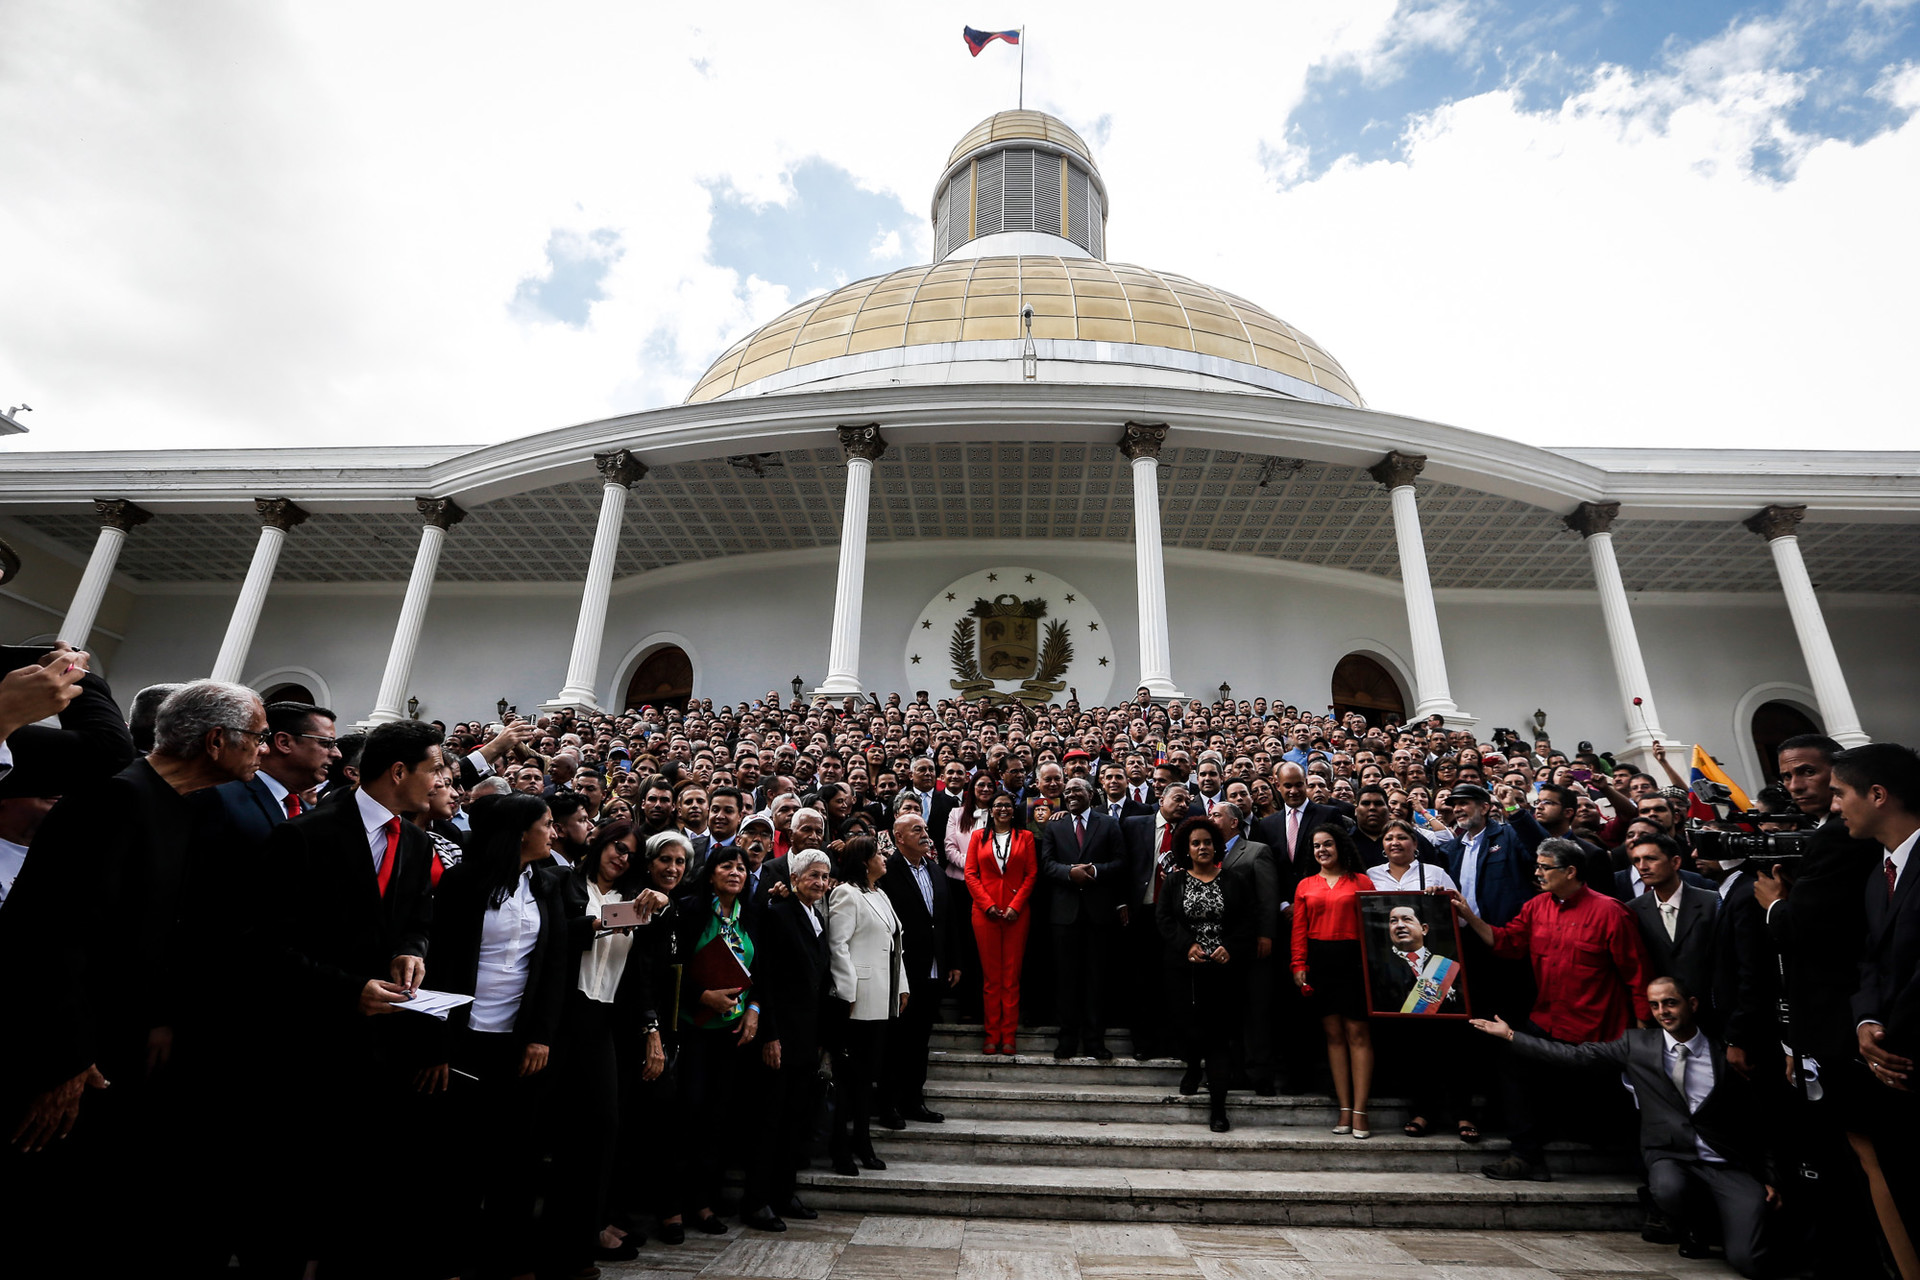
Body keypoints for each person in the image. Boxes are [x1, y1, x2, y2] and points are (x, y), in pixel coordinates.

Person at [1, 679, 266, 1267]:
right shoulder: (112, 801)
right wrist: (66, 1058)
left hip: (112, 1041)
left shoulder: (176, 806)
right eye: (257, 737)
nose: (264, 750)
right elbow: (48, 938)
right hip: (61, 1055)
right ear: (217, 740)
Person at [262, 717, 444, 1272]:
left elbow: (415, 917)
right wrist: (348, 990)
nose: (440, 781)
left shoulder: (412, 840)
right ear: (397, 771)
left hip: (382, 1045)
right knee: (297, 1194)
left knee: (363, 1189)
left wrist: (412, 949)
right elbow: (264, 944)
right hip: (310, 1043)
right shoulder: (306, 835)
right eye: (434, 769)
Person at [1470, 978, 1777, 1277]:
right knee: (1668, 1188)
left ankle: (1724, 1227)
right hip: (1672, 1157)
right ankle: (1694, 1224)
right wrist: (1512, 1035)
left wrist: (1769, 1176)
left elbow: (1756, 1118)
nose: (1663, 1011)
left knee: (1749, 1262)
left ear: (1691, 1004)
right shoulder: (1637, 1044)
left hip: (1726, 1163)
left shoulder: (1722, 1051)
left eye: (1670, 1002)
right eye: (1655, 1005)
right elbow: (1575, 1056)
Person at [422, 791, 570, 1279]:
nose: (555, 832)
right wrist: (439, 1044)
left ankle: (509, 1257)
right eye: (547, 823)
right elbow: (440, 965)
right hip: (463, 1037)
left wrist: (541, 1036)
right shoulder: (464, 882)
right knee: (458, 1156)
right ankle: (449, 1258)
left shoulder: (546, 884)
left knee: (517, 1154)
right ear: (519, 832)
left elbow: (551, 967)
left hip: (519, 1040)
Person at [1449, 837, 1652, 1182]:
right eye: (1538, 866)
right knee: (1511, 1064)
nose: (1538, 872)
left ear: (1571, 871)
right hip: (1546, 1020)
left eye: (1545, 867)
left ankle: (1646, 1172)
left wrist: (1643, 1034)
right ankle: (1525, 1156)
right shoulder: (1536, 906)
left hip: (1598, 1029)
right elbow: (1506, 943)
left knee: (1616, 1109)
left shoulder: (1611, 913)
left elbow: (1638, 976)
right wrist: (1467, 913)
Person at [551, 822, 670, 1270]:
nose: (622, 857)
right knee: (562, 1130)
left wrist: (662, 900)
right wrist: (595, 924)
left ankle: (588, 1230)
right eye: (617, 848)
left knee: (602, 1125)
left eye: (630, 854)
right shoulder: (565, 880)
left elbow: (658, 941)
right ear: (599, 844)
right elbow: (553, 934)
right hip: (563, 1014)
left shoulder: (634, 897)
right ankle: (560, 1238)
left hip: (604, 1020)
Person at [1833, 741, 1920, 1263]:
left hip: (1907, 1051)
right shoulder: (1876, 874)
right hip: (1889, 1060)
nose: (1835, 805)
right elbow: (1869, 960)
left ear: (1879, 794)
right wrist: (1866, 1023)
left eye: (1841, 793)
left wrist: (1892, 1037)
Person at [672, 842, 771, 1234]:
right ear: (710, 873)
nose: (735, 872)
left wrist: (755, 1009)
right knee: (686, 1116)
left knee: (717, 1118)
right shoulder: (690, 911)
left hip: (731, 1034)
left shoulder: (753, 915)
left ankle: (703, 1204)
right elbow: (670, 965)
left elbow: (762, 971)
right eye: (726, 866)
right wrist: (701, 996)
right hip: (692, 1029)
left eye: (742, 868)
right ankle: (672, 1208)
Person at [1155, 816, 1254, 1132]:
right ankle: (1192, 1067)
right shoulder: (1175, 881)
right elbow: (1165, 919)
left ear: (1216, 846)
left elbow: (1245, 922)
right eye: (1195, 843)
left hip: (1223, 970)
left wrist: (1230, 946)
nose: (1202, 848)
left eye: (1207, 842)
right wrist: (1187, 945)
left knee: (1218, 1037)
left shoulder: (1233, 879)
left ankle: (1219, 1110)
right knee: (1192, 1029)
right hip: (1186, 970)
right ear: (1187, 848)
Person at [754, 848, 833, 1225]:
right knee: (769, 1121)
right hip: (780, 1037)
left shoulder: (815, 915)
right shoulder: (778, 914)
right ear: (795, 879)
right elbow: (765, 978)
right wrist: (770, 1035)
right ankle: (758, 1200)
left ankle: (784, 1194)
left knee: (794, 1122)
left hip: (806, 1037)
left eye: (824, 877)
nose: (819, 882)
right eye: (812, 876)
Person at [825, 836, 908, 1176]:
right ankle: (841, 1149)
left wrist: (902, 985)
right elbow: (837, 944)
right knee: (849, 1081)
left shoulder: (880, 893)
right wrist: (847, 991)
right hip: (856, 1001)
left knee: (866, 1079)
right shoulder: (846, 893)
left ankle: (862, 1140)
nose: (884, 857)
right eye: (878, 853)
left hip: (882, 999)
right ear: (863, 861)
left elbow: (895, 946)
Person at [1291, 823, 1374, 1139]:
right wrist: (1298, 964)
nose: (1321, 850)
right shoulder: (1305, 885)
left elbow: (1373, 926)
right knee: (1333, 1034)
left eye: (1327, 844)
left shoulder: (1362, 882)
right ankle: (1343, 1107)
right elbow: (1298, 930)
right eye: (1316, 846)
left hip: (1353, 960)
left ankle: (1360, 1110)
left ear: (1340, 846)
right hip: (1319, 961)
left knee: (1358, 1032)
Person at [1039, 776, 1126, 1059]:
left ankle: (1094, 1041)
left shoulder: (1109, 823)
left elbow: (1121, 863)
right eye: (1067, 792)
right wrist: (1069, 873)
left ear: (1091, 794)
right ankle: (1067, 1040)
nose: (1070, 794)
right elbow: (1047, 864)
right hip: (1064, 915)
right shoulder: (1054, 824)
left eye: (1076, 789)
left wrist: (1094, 872)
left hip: (1098, 914)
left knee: (1096, 980)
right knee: (1066, 980)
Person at [881, 809, 957, 1126]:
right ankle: (888, 1105)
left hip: (934, 970)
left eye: (925, 827)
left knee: (920, 1042)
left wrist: (953, 961)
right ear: (899, 838)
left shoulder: (936, 871)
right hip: (901, 972)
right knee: (894, 1042)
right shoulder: (887, 871)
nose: (925, 833)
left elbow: (947, 920)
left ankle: (915, 1102)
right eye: (916, 830)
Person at [1213, 801, 1284, 1094]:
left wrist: (1266, 934)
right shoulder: (1206, 853)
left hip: (1253, 945)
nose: (1210, 818)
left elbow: (1268, 898)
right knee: (1228, 1010)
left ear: (1234, 822)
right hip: (1221, 946)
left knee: (1257, 1010)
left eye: (1216, 814)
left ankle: (1260, 1075)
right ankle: (1233, 1072)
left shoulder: (1256, 850)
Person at [965, 791, 1038, 1055]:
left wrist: (1015, 905)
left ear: (1013, 810)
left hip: (1016, 914)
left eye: (1007, 805)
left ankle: (1008, 1036)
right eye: (998, 806)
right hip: (985, 913)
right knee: (990, 977)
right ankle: (991, 1035)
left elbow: (1031, 874)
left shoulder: (1026, 837)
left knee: (1011, 976)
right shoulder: (977, 837)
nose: (1003, 809)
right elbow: (970, 874)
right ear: (991, 810)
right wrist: (988, 905)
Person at [1624, 833, 1720, 1010]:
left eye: (1650, 859)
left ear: (1675, 862)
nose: (1642, 867)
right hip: (1662, 1015)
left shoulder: (1712, 903)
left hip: (1712, 1010)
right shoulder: (1632, 910)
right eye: (1636, 861)